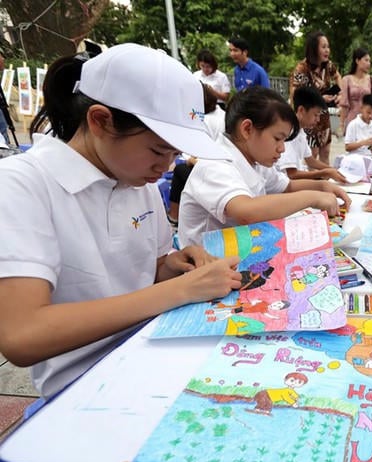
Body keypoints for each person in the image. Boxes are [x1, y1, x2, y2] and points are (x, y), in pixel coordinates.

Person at [0, 43, 243, 399]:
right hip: (85, 389)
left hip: (154, 353)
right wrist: (179, 290)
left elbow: (152, 268)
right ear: (100, 121)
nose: (167, 167)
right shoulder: (22, 184)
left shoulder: (135, 181)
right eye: (159, 151)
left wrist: (176, 266)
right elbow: (23, 334)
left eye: (176, 153)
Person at [177, 86, 351, 247]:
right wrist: (313, 197)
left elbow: (286, 186)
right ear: (247, 129)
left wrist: (323, 186)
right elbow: (246, 211)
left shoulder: (255, 160)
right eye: (277, 138)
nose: (282, 148)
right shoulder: (215, 164)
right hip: (207, 268)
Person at [168, 84, 225, 223]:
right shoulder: (222, 113)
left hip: (215, 173)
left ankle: (173, 217)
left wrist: (190, 160)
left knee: (180, 170)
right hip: (219, 168)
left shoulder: (202, 120)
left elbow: (200, 157)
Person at [290, 31, 342, 165]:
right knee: (312, 154)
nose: (327, 50)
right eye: (323, 47)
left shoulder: (328, 65)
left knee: (326, 151)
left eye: (328, 47)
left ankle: (326, 179)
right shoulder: (302, 68)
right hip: (308, 115)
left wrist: (340, 94)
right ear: (314, 48)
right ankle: (314, 182)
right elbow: (296, 95)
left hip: (323, 114)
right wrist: (319, 98)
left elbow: (338, 77)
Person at [278, 86, 347, 183]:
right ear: (301, 110)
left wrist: (334, 170)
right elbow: (292, 174)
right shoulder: (289, 133)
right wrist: (325, 173)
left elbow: (311, 160)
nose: (318, 120)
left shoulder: (300, 131)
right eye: (316, 115)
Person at [338, 48, 372, 136]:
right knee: (352, 147)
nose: (369, 64)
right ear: (357, 61)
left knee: (366, 147)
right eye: (366, 60)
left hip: (367, 121)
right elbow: (344, 104)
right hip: (351, 120)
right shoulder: (346, 79)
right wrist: (341, 125)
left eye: (369, 61)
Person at [343, 93, 372, 158]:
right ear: (361, 108)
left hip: (368, 157)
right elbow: (347, 147)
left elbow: (370, 148)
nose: (371, 116)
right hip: (354, 158)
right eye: (368, 112)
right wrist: (363, 143)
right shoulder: (353, 124)